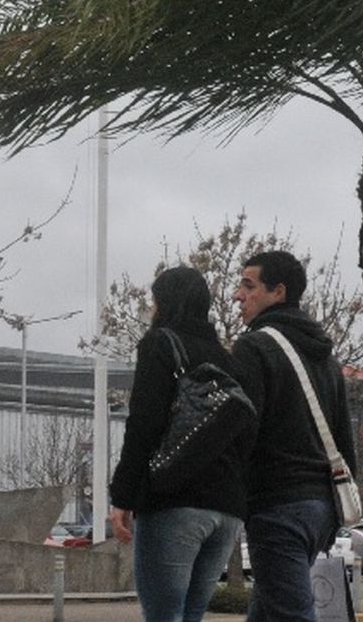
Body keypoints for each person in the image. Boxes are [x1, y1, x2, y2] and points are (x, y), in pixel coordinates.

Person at [109, 266, 252, 622]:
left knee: (164, 615)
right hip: (227, 510)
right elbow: (247, 433)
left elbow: (144, 425)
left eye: (154, 301)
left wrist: (123, 497)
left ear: (164, 303)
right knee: (191, 615)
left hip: (174, 502)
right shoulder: (230, 361)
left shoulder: (161, 344)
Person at [231, 250, 357, 622]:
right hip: (321, 507)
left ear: (278, 292)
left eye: (248, 285)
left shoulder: (254, 347)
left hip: (277, 506)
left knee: (291, 615)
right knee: (267, 610)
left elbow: (242, 430)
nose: (238, 295)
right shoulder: (325, 357)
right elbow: (341, 432)